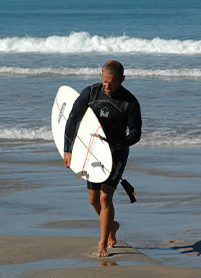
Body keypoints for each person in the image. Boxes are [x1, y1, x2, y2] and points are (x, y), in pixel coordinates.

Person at [63, 60, 142, 257]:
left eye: (112, 83)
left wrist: (116, 145)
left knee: (105, 196)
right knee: (93, 199)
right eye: (105, 81)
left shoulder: (129, 102)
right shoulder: (90, 93)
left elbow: (136, 133)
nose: (107, 86)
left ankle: (103, 244)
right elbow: (72, 119)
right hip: (94, 152)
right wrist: (68, 149)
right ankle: (112, 225)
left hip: (117, 152)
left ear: (122, 80)